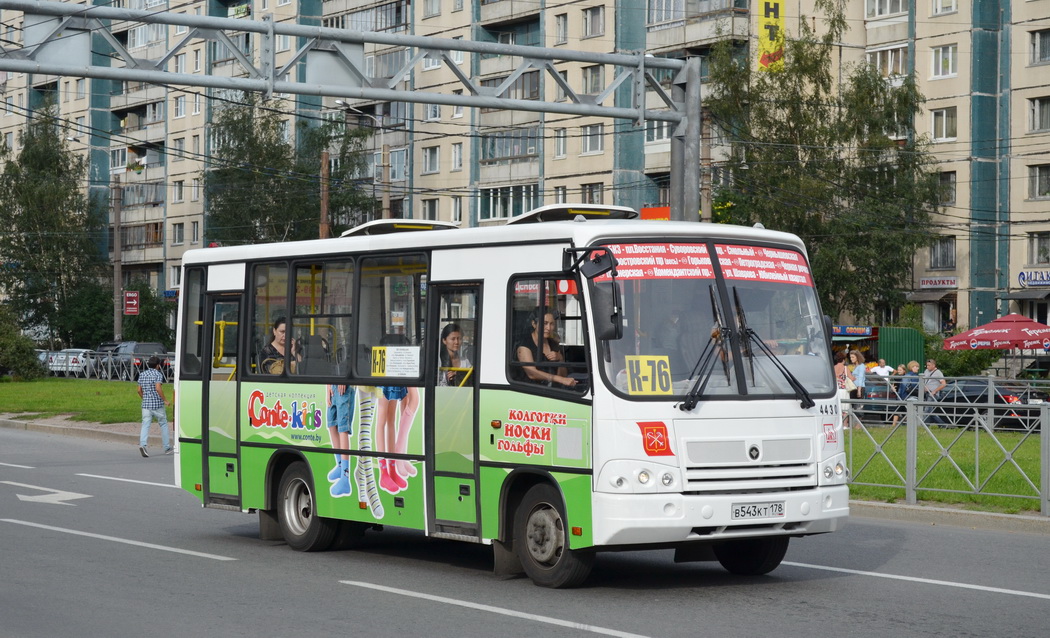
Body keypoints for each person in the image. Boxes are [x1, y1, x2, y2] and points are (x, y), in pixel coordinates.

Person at [514, 311, 577, 388]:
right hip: (530, 390)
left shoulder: (553, 344)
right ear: (534, 324)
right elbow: (531, 373)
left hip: (552, 390)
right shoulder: (525, 344)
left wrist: (560, 359)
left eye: (552, 324)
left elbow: (563, 375)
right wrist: (559, 379)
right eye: (545, 323)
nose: (549, 328)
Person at [137, 355, 171, 457]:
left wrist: (145, 398)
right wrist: (165, 400)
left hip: (146, 405)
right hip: (157, 404)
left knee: (145, 424)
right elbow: (158, 388)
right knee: (163, 424)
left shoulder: (142, 374)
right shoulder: (158, 374)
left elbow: (139, 390)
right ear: (158, 365)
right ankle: (167, 447)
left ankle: (143, 444)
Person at [922, 358, 947, 426]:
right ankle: (942, 425)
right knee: (930, 411)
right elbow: (923, 380)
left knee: (927, 409)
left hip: (933, 394)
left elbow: (944, 383)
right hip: (926, 393)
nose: (927, 367)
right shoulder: (926, 371)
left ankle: (925, 425)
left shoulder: (938, 372)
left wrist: (935, 390)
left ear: (933, 365)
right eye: (927, 365)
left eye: (929, 365)